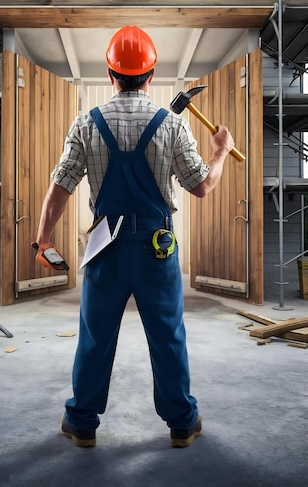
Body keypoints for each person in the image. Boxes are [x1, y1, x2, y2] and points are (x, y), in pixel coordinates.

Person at [34, 25, 234, 448]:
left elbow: (61, 186)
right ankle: (182, 423)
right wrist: (219, 153)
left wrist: (43, 239)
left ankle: (82, 424)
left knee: (95, 336)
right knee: (167, 336)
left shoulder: (87, 124)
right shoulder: (171, 125)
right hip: (156, 251)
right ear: (151, 72)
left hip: (105, 248)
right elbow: (201, 186)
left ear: (111, 74)